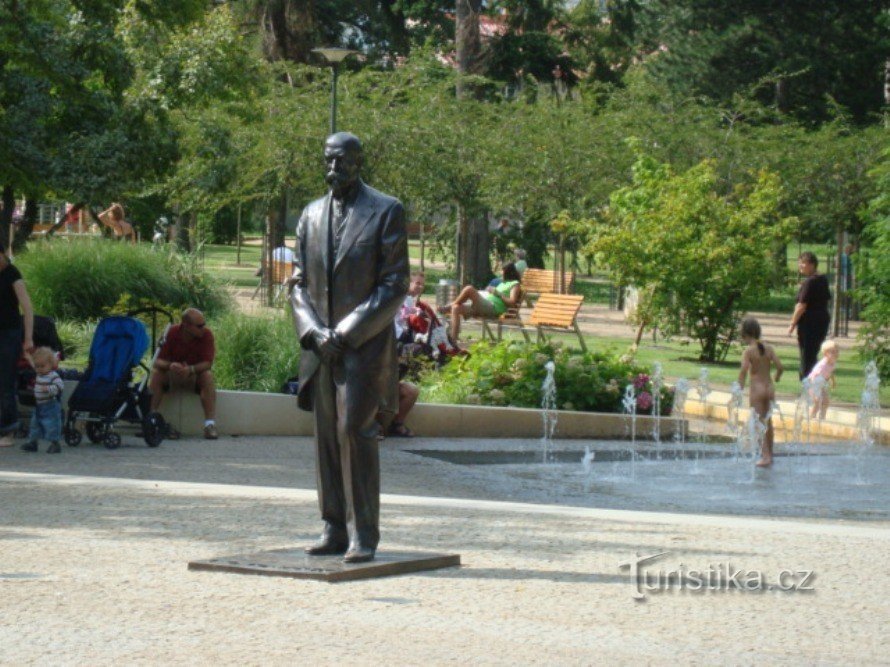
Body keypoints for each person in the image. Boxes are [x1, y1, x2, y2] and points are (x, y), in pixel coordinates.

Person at [288, 132, 408, 564]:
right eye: (328, 161)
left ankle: (364, 535)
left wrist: (346, 332)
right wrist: (315, 332)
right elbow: (298, 282)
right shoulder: (310, 214)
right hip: (320, 348)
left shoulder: (386, 211)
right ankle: (333, 527)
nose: (333, 169)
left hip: (363, 347)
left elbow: (394, 285)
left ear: (358, 162)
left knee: (354, 434)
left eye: (341, 162)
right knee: (325, 438)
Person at [148, 308, 218, 440]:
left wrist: (190, 369)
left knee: (207, 375)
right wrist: (171, 365)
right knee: (157, 374)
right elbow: (156, 361)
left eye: (204, 324)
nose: (203, 328)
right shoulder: (171, 333)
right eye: (199, 326)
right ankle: (150, 420)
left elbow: (208, 363)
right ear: (186, 325)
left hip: (194, 374)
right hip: (172, 373)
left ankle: (210, 425)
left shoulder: (207, 335)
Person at [0, 241, 34, 447]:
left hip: (9, 333)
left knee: (5, 381)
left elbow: (27, 308)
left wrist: (28, 338)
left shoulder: (13, 274)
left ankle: (8, 430)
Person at [738, 317, 784, 467]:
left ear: (745, 334)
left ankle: (765, 456)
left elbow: (744, 371)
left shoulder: (748, 351)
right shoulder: (769, 348)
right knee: (768, 421)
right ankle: (770, 452)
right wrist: (776, 377)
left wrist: (739, 387)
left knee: (758, 422)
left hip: (757, 389)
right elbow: (780, 367)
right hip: (769, 388)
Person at [439, 263, 522, 342]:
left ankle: (448, 306)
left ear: (508, 273)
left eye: (502, 272)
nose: (501, 274)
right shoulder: (503, 283)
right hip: (483, 305)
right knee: (456, 308)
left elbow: (512, 302)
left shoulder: (515, 284)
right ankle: (453, 340)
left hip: (493, 308)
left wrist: (498, 294)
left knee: (469, 289)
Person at [788, 251, 831, 379]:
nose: (800, 266)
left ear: (811, 264)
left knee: (806, 356)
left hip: (810, 322)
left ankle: (807, 385)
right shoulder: (822, 279)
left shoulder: (810, 282)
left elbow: (801, 306)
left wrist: (792, 324)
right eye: (799, 263)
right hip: (822, 320)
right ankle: (815, 384)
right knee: (812, 354)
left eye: (802, 263)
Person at [20, 347, 64, 454]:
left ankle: (54, 443)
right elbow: (33, 364)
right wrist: (28, 357)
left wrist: (49, 389)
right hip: (39, 405)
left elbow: (60, 386)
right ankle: (33, 442)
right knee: (35, 424)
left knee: (51, 425)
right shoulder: (39, 373)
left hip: (50, 405)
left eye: (42, 366)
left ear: (51, 364)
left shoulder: (53, 376)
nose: (39, 369)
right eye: (37, 366)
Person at [807, 339, 839, 420]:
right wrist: (812, 388)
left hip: (822, 383)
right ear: (825, 354)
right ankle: (811, 418)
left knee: (826, 402)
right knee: (817, 402)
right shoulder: (823, 364)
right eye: (832, 352)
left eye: (837, 352)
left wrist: (833, 381)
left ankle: (822, 419)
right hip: (814, 383)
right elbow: (814, 375)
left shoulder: (833, 363)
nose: (836, 354)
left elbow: (830, 373)